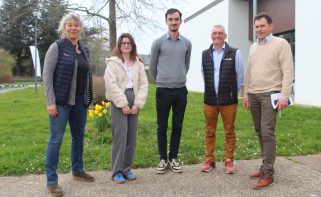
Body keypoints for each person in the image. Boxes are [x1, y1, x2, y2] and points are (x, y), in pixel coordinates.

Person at [43, 13, 94, 197]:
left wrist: (88, 99)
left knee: (78, 138)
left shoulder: (85, 49)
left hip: (80, 102)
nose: (73, 28)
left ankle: (78, 170)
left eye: (76, 25)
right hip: (61, 102)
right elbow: (47, 76)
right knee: (55, 140)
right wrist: (50, 102)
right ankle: (51, 181)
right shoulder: (56, 47)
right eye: (69, 25)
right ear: (64, 28)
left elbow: (87, 76)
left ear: (80, 28)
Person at [243, 13, 294, 189]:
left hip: (271, 94)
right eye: (256, 27)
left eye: (262, 26)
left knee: (267, 132)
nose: (259, 29)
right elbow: (249, 72)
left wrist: (284, 95)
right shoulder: (253, 47)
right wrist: (245, 94)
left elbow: (288, 71)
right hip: (254, 95)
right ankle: (265, 166)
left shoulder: (281, 44)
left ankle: (268, 174)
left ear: (271, 26)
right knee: (259, 132)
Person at [149, 8, 192, 174]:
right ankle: (162, 159)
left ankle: (173, 158)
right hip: (163, 91)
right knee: (161, 126)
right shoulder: (158, 43)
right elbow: (152, 68)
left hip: (181, 90)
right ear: (166, 21)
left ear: (181, 21)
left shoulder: (187, 43)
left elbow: (186, 66)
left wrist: (178, 77)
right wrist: (164, 79)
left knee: (177, 126)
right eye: (170, 19)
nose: (174, 22)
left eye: (176, 19)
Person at [104, 33, 148, 184]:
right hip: (118, 101)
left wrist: (137, 104)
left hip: (134, 98)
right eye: (123, 43)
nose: (126, 45)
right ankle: (116, 171)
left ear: (132, 45)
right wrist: (123, 104)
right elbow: (111, 84)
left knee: (131, 138)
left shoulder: (138, 63)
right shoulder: (113, 63)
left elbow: (143, 85)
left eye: (129, 43)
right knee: (120, 136)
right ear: (119, 45)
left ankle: (126, 169)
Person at [200, 25, 244, 174]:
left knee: (229, 131)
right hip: (210, 100)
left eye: (220, 33)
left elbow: (240, 77)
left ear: (225, 36)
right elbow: (204, 75)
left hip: (229, 101)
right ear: (211, 36)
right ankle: (210, 160)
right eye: (214, 33)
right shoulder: (205, 54)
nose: (217, 35)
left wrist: (231, 92)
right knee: (209, 131)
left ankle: (229, 160)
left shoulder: (235, 53)